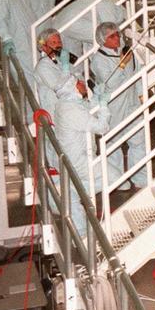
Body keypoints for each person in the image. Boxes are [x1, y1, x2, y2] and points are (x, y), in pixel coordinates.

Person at [51, 63, 110, 239]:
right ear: (72, 88)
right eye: (80, 83)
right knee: (112, 177)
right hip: (78, 160)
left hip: (73, 157)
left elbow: (87, 113)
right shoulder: (71, 109)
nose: (84, 85)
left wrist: (96, 100)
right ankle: (74, 194)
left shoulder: (69, 103)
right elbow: (101, 127)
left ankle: (82, 235)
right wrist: (104, 106)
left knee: (73, 193)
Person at [90, 22, 147, 190]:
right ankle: (116, 180)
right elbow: (110, 84)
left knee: (138, 141)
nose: (117, 38)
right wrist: (121, 64)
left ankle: (140, 178)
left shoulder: (127, 53)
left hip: (132, 104)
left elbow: (137, 75)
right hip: (114, 106)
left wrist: (141, 96)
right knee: (113, 143)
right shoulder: (98, 60)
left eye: (118, 35)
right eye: (112, 36)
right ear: (102, 40)